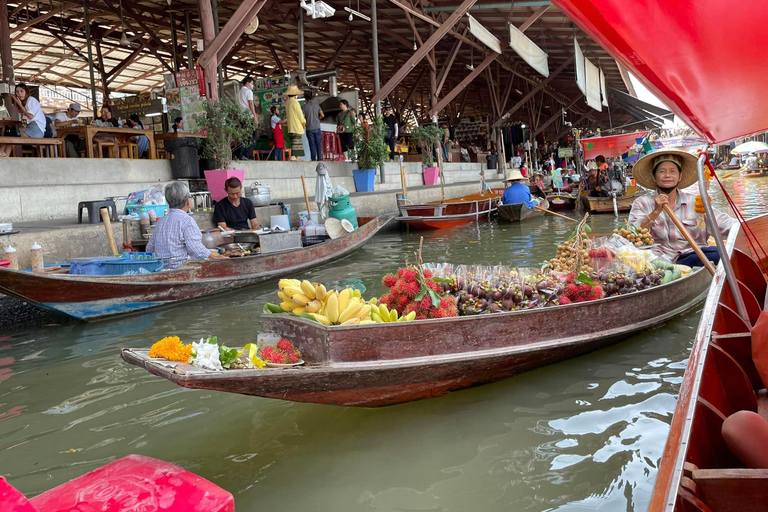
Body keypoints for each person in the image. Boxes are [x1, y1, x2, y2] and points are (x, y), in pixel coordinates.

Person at [628, 149, 737, 267]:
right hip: (660, 262)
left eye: (672, 171)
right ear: (654, 177)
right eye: (662, 171)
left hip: (694, 256)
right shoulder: (642, 203)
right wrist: (655, 212)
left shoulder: (696, 202)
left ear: (680, 176)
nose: (667, 175)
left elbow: (723, 223)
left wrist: (744, 228)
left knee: (725, 253)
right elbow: (632, 235)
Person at [147, 181, 225, 269]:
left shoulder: (160, 222)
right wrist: (215, 258)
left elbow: (149, 249)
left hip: (161, 269)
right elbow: (196, 249)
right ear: (188, 201)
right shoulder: (186, 221)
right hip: (181, 270)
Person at [237, 76, 258, 160]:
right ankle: (246, 155)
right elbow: (251, 103)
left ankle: (242, 155)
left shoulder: (239, 93)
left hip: (241, 117)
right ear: (247, 83)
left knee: (245, 137)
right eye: (252, 83)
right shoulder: (248, 91)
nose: (252, 85)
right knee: (254, 136)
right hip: (248, 117)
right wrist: (255, 116)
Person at [302, 89, 323, 161]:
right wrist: (318, 119)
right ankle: (320, 159)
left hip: (309, 128)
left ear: (305, 98)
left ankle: (313, 159)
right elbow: (322, 115)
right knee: (318, 144)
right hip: (317, 127)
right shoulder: (317, 105)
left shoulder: (304, 106)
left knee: (312, 145)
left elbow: (303, 117)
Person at [285, 84, 305, 159]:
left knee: (294, 142)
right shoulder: (295, 103)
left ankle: (297, 157)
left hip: (290, 126)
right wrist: (303, 121)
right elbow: (300, 115)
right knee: (297, 142)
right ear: (295, 94)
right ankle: (293, 156)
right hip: (296, 126)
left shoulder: (287, 103)